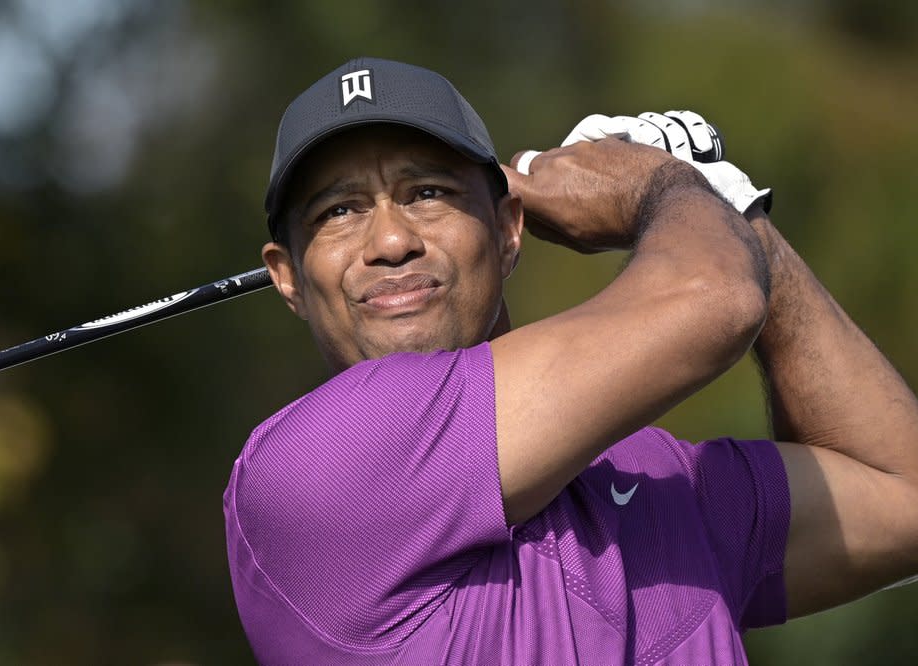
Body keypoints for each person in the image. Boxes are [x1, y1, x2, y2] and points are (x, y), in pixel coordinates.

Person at [223, 57, 918, 665]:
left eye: (428, 192)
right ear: (287, 276)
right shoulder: (303, 471)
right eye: (339, 211)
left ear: (506, 229)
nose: (392, 239)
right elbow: (716, 298)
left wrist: (741, 219)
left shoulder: (655, 474)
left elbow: (905, 497)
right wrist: (667, 190)